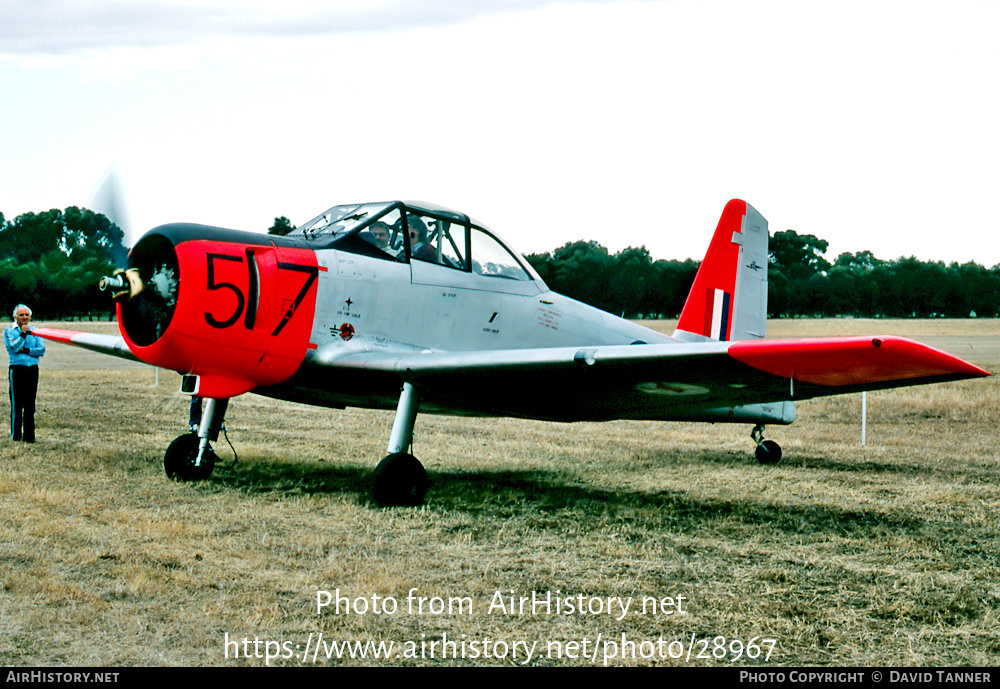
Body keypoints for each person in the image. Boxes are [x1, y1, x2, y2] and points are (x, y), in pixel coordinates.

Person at [5, 304, 45, 442]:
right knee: (17, 404)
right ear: (15, 316)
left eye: (27, 315)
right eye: (21, 315)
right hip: (17, 370)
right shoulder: (9, 331)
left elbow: (41, 350)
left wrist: (26, 350)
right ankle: (16, 435)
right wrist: (22, 334)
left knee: (30, 404)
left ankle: (29, 436)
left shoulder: (36, 331)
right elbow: (14, 347)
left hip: (32, 370)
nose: (24, 318)